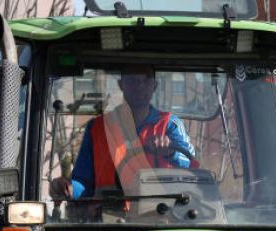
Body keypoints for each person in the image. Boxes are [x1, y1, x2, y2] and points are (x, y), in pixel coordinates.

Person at [51, 66, 197, 202]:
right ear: (121, 85)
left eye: (146, 79)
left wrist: (171, 153)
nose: (140, 85)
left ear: (155, 85)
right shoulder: (97, 128)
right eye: (133, 79)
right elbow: (83, 182)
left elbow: (192, 167)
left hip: (161, 213)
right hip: (107, 214)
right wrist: (68, 188)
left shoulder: (170, 125)